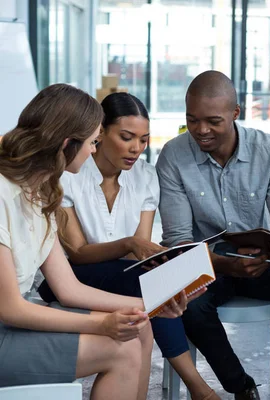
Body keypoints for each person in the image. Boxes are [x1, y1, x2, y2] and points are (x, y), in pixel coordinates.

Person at [155, 70, 270, 400]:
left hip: (263, 261)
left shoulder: (269, 150)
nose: (201, 130)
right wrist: (223, 264)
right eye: (192, 120)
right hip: (207, 265)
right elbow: (178, 241)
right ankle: (240, 385)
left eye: (212, 121)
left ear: (236, 113)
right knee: (189, 304)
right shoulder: (174, 156)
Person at [35, 92, 218, 400]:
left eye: (144, 140)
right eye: (127, 137)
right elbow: (78, 254)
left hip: (125, 276)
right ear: (100, 132)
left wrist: (160, 257)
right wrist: (131, 244)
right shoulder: (68, 173)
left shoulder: (146, 176)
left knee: (158, 280)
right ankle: (197, 385)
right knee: (147, 286)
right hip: (70, 277)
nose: (136, 148)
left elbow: (139, 252)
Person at [0, 83, 156, 399]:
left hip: (16, 321)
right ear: (68, 144)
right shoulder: (3, 193)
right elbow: (11, 309)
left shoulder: (40, 191)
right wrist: (103, 326)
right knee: (121, 349)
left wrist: (149, 306)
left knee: (138, 325)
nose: (94, 150)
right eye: (91, 142)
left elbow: (69, 289)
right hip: (7, 328)